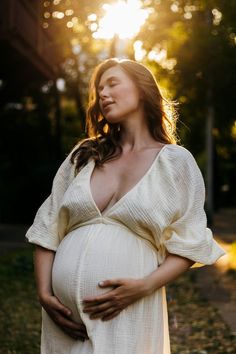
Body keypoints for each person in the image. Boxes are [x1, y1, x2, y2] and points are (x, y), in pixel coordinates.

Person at [26, 58, 225, 354]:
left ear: (142, 89)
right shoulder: (86, 155)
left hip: (128, 308)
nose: (103, 94)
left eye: (113, 83)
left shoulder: (175, 162)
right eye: (99, 88)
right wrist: (44, 293)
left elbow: (189, 242)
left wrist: (144, 287)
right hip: (64, 320)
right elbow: (49, 225)